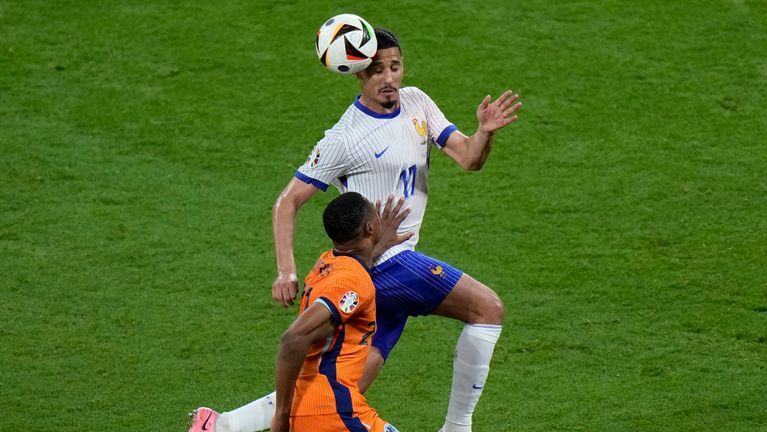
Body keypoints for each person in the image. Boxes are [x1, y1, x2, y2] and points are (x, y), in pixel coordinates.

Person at [190, 26, 521, 432]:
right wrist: (285, 271)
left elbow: (469, 159)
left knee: (339, 388)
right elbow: (287, 202)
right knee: (487, 308)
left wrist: (484, 134)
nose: (388, 78)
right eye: (377, 70)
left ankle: (219, 426)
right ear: (357, 74)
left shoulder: (417, 102)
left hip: (389, 266)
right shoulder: (345, 138)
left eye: (395, 67)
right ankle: (458, 427)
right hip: (383, 262)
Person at [190, 192, 411, 432]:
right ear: (370, 227)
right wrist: (280, 416)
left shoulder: (329, 262)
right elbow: (293, 338)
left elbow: (353, 272)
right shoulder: (353, 281)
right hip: (334, 413)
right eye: (376, 216)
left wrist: (377, 244)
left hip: (313, 407)